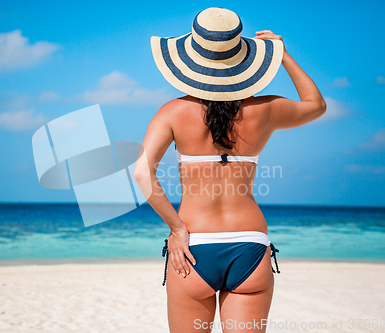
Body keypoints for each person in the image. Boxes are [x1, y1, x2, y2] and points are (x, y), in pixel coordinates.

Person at [134, 7, 326, 333]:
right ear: (245, 62)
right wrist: (283, 55)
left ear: (191, 59)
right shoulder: (267, 109)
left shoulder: (173, 112)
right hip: (250, 246)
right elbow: (316, 105)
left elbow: (141, 173)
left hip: (194, 247)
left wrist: (177, 228)